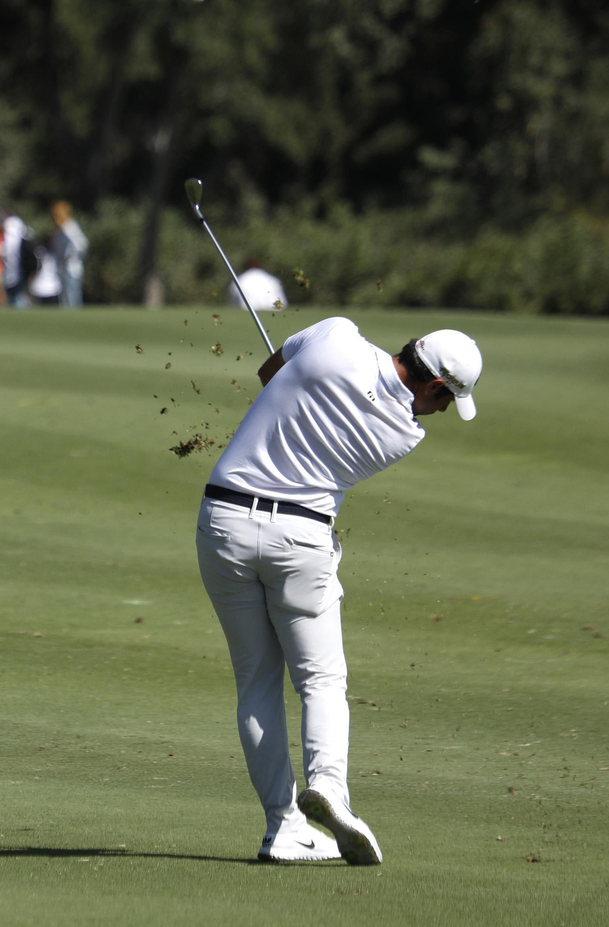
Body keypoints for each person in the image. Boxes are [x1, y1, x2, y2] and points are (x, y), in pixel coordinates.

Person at [196, 320, 483, 865]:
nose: (441, 412)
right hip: (300, 540)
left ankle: (283, 828)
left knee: (256, 682)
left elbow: (269, 374)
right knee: (321, 679)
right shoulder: (404, 433)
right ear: (433, 386)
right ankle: (328, 786)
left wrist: (304, 376)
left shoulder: (335, 334)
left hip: (222, 520)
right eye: (446, 401)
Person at [51, 201, 89, 308]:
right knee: (65, 297)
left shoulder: (69, 226)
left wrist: (70, 256)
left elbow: (82, 244)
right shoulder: (60, 228)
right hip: (62, 267)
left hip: (72, 267)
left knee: (72, 296)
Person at [0, 208, 33, 307]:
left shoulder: (11, 225)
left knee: (15, 296)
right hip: (20, 268)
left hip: (17, 268)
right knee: (17, 295)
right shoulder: (19, 225)